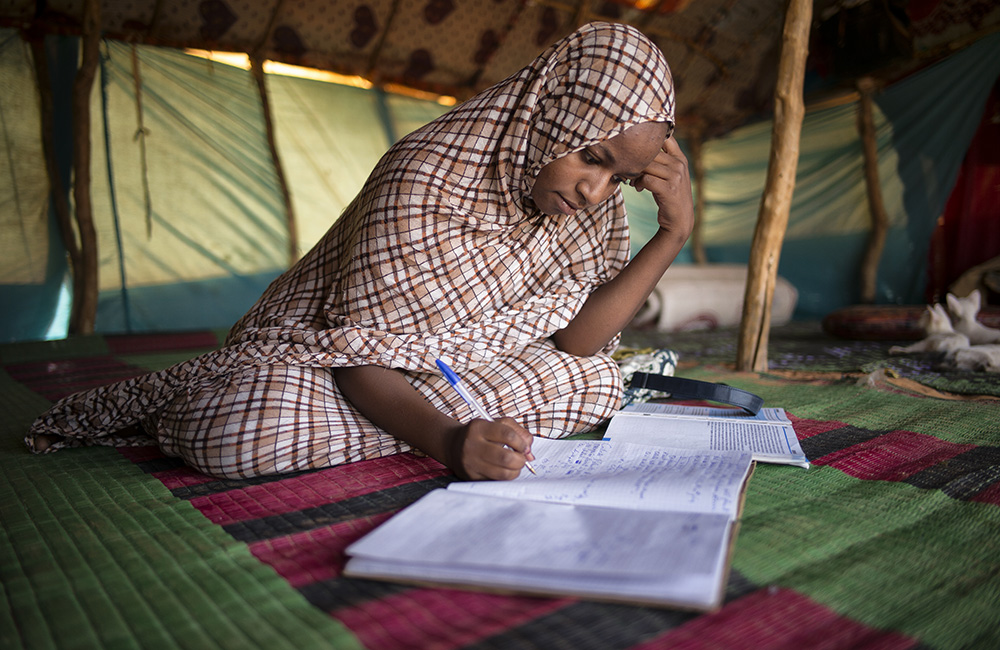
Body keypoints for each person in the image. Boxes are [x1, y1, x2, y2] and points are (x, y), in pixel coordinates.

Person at [26, 21, 693, 481]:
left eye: (621, 180)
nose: (595, 188)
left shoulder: (581, 209)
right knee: (236, 423)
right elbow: (355, 356)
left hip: (454, 375)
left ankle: (429, 425)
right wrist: (451, 442)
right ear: (550, 111)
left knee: (597, 377)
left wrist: (672, 234)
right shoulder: (424, 175)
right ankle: (438, 427)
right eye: (593, 158)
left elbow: (577, 343)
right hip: (331, 367)